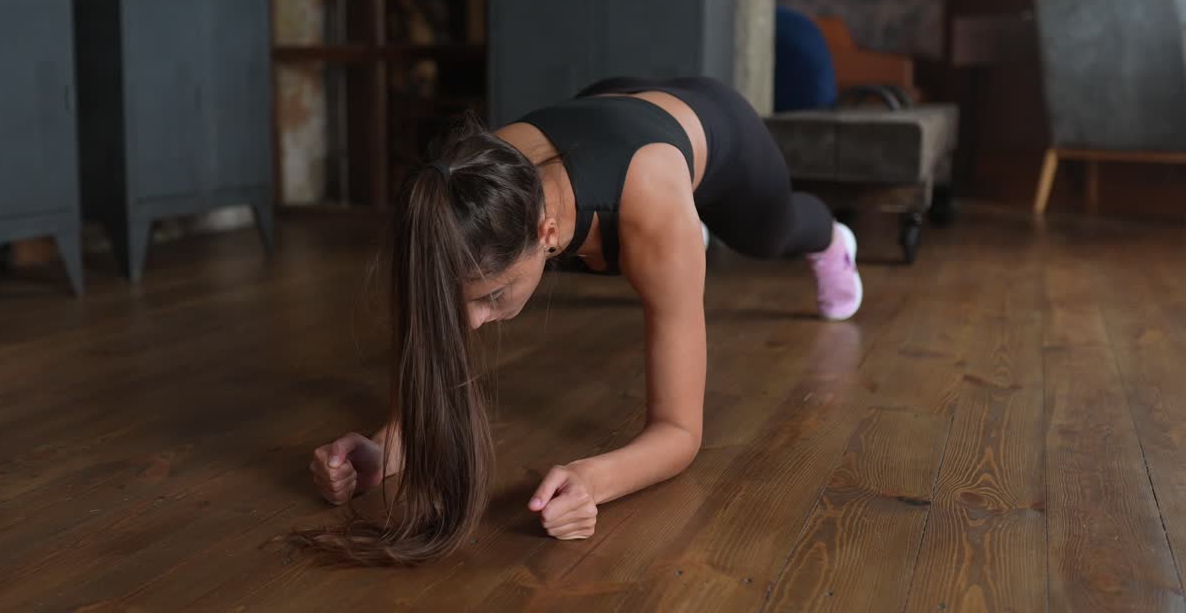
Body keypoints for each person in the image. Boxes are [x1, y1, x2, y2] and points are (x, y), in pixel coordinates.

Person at [296, 76, 862, 565]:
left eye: (491, 297)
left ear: (546, 235)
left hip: (715, 126)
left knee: (775, 233)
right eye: (456, 300)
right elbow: (429, 360)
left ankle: (832, 240)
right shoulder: (462, 192)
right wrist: (386, 446)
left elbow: (681, 432)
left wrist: (596, 479)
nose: (468, 323)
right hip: (607, 103)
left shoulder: (652, 212)